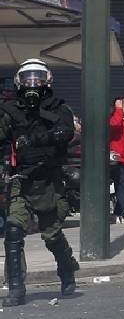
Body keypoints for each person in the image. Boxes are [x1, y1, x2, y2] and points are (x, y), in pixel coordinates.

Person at [0, 59, 80, 306]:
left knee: (52, 235)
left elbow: (65, 132)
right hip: (21, 180)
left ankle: (67, 273)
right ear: (19, 82)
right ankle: (16, 289)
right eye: (27, 78)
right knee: (13, 232)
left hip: (49, 181)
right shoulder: (10, 110)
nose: (32, 83)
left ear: (47, 80)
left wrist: (37, 139)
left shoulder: (58, 108)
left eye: (38, 77)